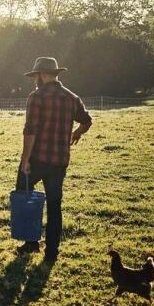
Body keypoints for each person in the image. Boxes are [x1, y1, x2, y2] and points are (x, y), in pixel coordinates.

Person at [17, 57, 93, 264]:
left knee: (25, 195)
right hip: (59, 161)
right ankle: (51, 252)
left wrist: (25, 160)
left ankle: (31, 242)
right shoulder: (71, 98)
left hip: (37, 158)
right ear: (56, 73)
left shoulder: (36, 97)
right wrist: (76, 133)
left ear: (40, 75)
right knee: (54, 205)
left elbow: (30, 130)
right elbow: (87, 121)